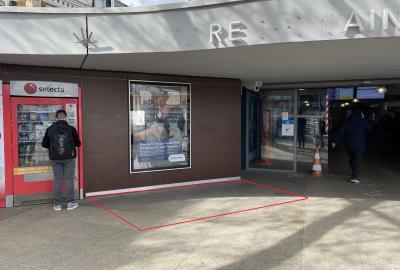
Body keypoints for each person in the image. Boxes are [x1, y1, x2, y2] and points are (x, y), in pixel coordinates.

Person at [42, 110, 81, 211]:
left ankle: (57, 204)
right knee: (69, 180)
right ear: (66, 117)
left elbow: (44, 144)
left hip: (55, 159)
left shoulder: (50, 129)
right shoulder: (71, 129)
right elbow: (78, 143)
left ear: (56, 118)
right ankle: (70, 203)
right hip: (69, 158)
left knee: (57, 180)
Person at [332, 107, 372, 184]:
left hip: (349, 145)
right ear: (361, 114)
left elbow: (340, 132)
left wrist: (334, 141)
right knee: (357, 160)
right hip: (360, 145)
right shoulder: (363, 122)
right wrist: (366, 119)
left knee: (352, 159)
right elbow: (370, 128)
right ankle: (354, 177)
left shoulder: (347, 122)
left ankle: (354, 172)